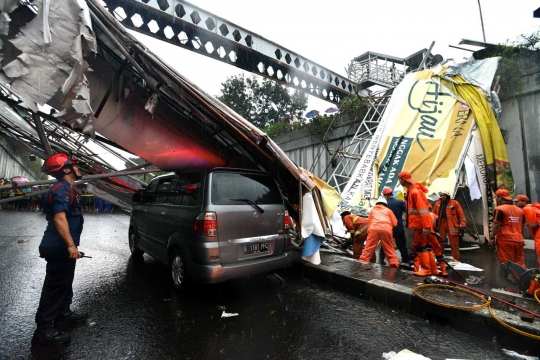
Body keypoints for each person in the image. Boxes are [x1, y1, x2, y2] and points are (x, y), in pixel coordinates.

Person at [32, 153, 88, 346]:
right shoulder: (60, 190)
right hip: (59, 247)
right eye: (74, 165)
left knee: (65, 282)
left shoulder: (67, 189)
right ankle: (44, 329)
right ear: (66, 170)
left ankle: (64, 313)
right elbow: (59, 218)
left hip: (64, 246)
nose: (78, 167)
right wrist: (71, 245)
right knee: (54, 287)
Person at [398, 171, 433, 276]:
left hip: (420, 225)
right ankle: (431, 268)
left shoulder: (414, 192)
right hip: (419, 225)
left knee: (421, 246)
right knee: (423, 246)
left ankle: (426, 269)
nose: (399, 181)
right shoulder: (412, 190)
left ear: (403, 179)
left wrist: (426, 226)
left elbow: (423, 210)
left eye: (399, 179)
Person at [489, 189, 525, 268]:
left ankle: (506, 280)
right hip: (519, 240)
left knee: (506, 263)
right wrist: (522, 239)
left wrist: (492, 237)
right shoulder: (520, 210)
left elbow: (496, 225)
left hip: (505, 240)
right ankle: (522, 279)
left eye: (496, 197)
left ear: (500, 198)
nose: (496, 199)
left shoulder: (500, 209)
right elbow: (522, 226)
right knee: (519, 263)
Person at [360, 197, 399, 268]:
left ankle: (363, 261)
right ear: (385, 204)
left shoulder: (373, 210)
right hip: (386, 230)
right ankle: (394, 264)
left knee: (369, 247)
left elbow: (370, 221)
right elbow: (395, 223)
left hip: (374, 229)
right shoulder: (388, 210)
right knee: (389, 247)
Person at [432, 189, 466, 261]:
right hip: (441, 224)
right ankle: (439, 257)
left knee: (454, 243)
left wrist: (462, 225)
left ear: (447, 196)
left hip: (452, 224)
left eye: (443, 195)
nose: (442, 197)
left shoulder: (455, 203)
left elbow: (461, 215)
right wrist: (432, 225)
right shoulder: (437, 204)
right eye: (441, 195)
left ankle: (456, 258)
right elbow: (433, 215)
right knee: (439, 241)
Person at [380, 186, 409, 264]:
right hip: (398, 226)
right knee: (401, 243)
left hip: (387, 226)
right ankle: (405, 259)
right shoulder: (399, 202)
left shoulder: (384, 204)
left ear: (385, 195)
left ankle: (381, 260)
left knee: (385, 243)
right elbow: (407, 211)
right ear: (392, 193)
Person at [513, 194, 540, 268]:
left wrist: (527, 224)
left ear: (523, 201)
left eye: (517, 202)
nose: (515, 204)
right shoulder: (532, 207)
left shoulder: (527, 209)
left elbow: (534, 225)